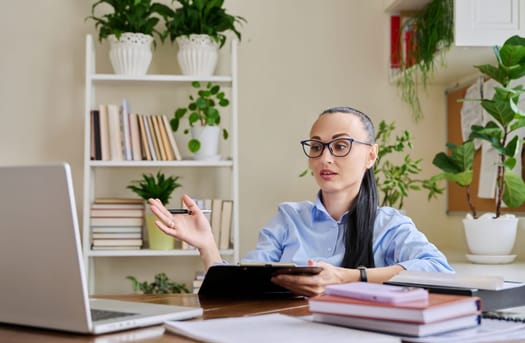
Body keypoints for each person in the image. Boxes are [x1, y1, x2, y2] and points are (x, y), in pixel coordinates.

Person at [148, 106, 453, 297]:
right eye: (317, 146)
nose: (326, 157)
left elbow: (438, 269)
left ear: (371, 155)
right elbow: (245, 285)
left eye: (341, 145)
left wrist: (348, 277)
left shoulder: (389, 225)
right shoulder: (288, 218)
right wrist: (207, 245)